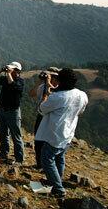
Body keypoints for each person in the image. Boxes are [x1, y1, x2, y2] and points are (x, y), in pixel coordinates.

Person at [35, 68, 88, 198]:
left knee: (47, 159)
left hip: (55, 134)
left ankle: (58, 188)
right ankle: (56, 181)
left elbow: (41, 109)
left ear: (61, 81)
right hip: (69, 133)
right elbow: (81, 112)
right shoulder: (82, 95)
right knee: (60, 158)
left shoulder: (58, 97)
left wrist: (47, 93)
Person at [0, 61, 25, 164]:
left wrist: (9, 73)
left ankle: (19, 159)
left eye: (13, 69)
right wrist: (1, 70)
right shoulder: (5, 79)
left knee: (16, 136)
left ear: (17, 71)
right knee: (3, 133)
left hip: (13, 112)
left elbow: (13, 86)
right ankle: (3, 153)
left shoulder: (20, 82)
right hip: (2, 110)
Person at [28, 67, 60, 169]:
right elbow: (31, 94)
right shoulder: (43, 86)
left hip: (53, 119)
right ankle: (39, 164)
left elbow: (45, 103)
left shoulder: (60, 90)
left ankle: (50, 166)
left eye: (52, 76)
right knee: (38, 140)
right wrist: (39, 82)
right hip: (41, 117)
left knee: (49, 143)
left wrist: (48, 86)